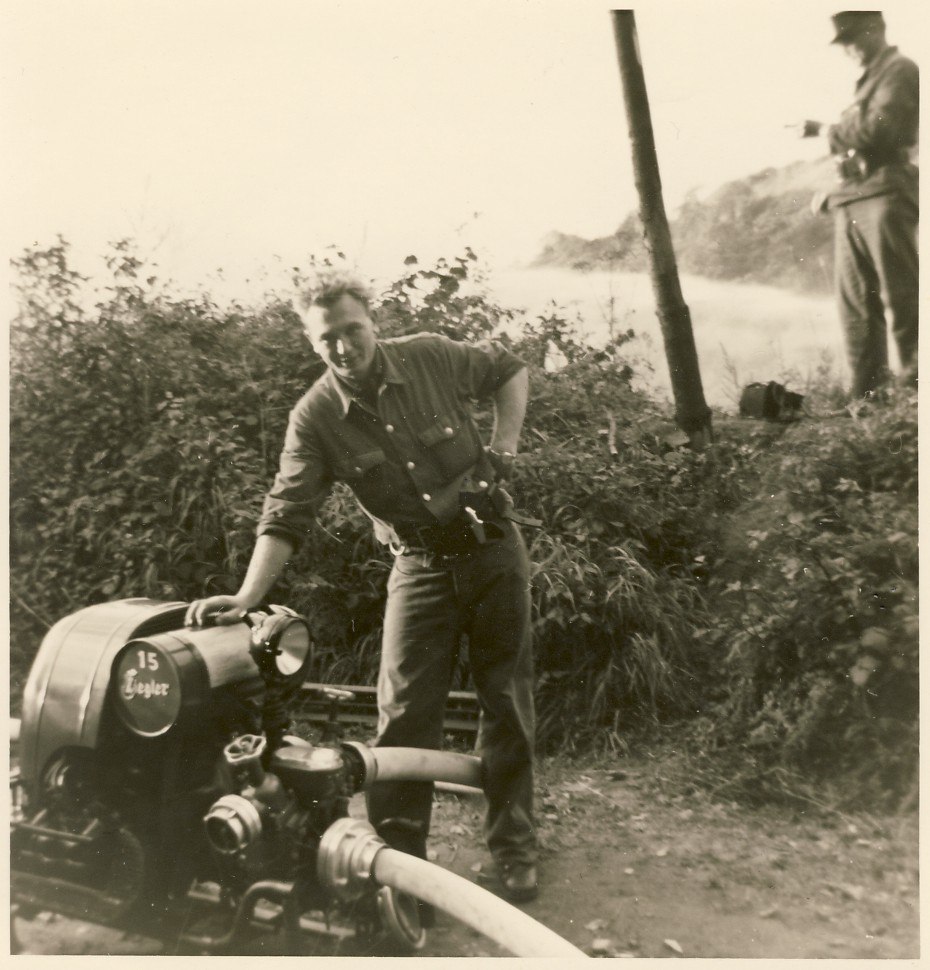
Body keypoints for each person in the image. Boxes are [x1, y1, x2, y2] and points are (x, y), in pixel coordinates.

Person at [185, 277, 540, 905]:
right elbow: (287, 511)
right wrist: (245, 597)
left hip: (492, 550)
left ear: (373, 321)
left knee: (505, 699)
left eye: (353, 330)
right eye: (328, 338)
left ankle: (514, 851)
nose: (344, 347)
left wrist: (504, 445)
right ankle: (400, 870)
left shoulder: (430, 354)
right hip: (419, 568)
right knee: (402, 716)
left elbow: (508, 369)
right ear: (311, 342)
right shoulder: (315, 416)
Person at [798, 10, 918, 399]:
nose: (848, 49)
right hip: (856, 196)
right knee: (855, 305)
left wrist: (825, 130)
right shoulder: (870, 81)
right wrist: (834, 190)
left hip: (884, 194)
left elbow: (878, 130)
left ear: (876, 29)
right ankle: (867, 399)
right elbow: (859, 144)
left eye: (853, 38)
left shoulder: (899, 70)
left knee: (903, 297)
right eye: (843, 42)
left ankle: (918, 393)